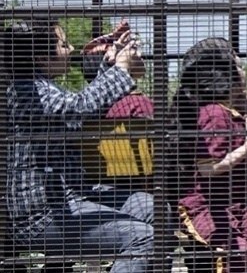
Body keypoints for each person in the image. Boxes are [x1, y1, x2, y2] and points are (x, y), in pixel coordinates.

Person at [1, 20, 154, 273]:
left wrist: (111, 61)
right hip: (42, 215)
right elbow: (79, 108)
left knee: (155, 209)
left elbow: (82, 107)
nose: (71, 49)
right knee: (145, 238)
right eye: (63, 44)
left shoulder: (42, 86)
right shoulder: (26, 91)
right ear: (42, 57)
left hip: (75, 195)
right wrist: (122, 69)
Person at [167, 38, 247, 273]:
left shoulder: (239, 108)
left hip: (244, 202)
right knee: (240, 252)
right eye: (239, 65)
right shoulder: (213, 113)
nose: (243, 70)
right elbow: (208, 168)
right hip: (209, 206)